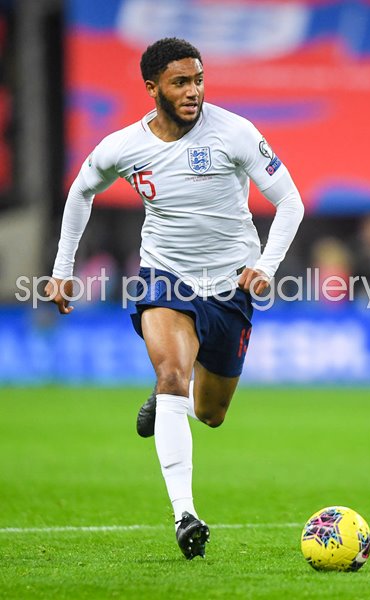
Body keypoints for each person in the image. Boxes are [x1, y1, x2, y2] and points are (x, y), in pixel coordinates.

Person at [45, 38, 304, 560]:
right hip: (164, 275)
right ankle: (185, 513)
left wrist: (265, 267)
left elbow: (289, 200)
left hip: (230, 284)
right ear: (152, 88)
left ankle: (169, 403)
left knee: (209, 414)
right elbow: (81, 191)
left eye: (199, 80)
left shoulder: (235, 132)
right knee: (171, 374)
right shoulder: (124, 146)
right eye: (181, 82)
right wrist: (62, 272)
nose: (193, 91)